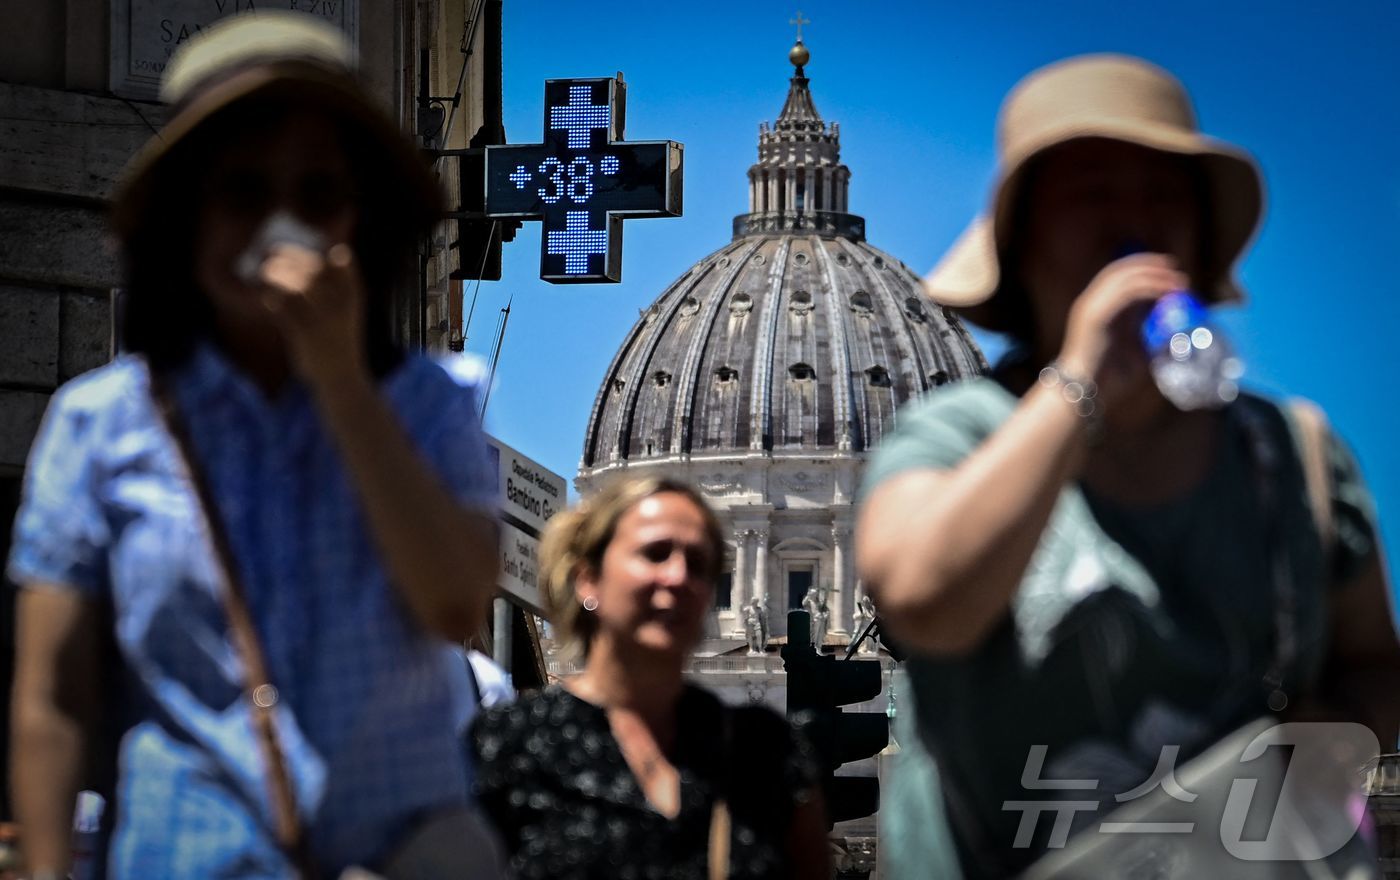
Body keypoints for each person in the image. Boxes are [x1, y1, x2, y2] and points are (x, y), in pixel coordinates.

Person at [855, 54, 1400, 878]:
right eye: (1093, 194)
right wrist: (1080, 382)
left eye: (1163, 195)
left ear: (1201, 239)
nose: (1131, 223)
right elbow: (923, 604)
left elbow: (1375, 664)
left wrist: (1329, 745)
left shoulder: (1292, 455)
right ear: (1022, 242)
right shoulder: (951, 433)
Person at [7, 13, 501, 878]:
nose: (283, 227)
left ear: (362, 218)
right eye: (242, 193)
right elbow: (55, 696)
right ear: (186, 219)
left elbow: (456, 604)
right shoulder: (101, 423)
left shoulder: (434, 402)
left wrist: (341, 382)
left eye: (318, 195)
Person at [471, 476, 832, 879]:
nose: (678, 577)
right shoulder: (506, 746)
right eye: (655, 554)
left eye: (699, 564)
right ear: (587, 578)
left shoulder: (767, 754)